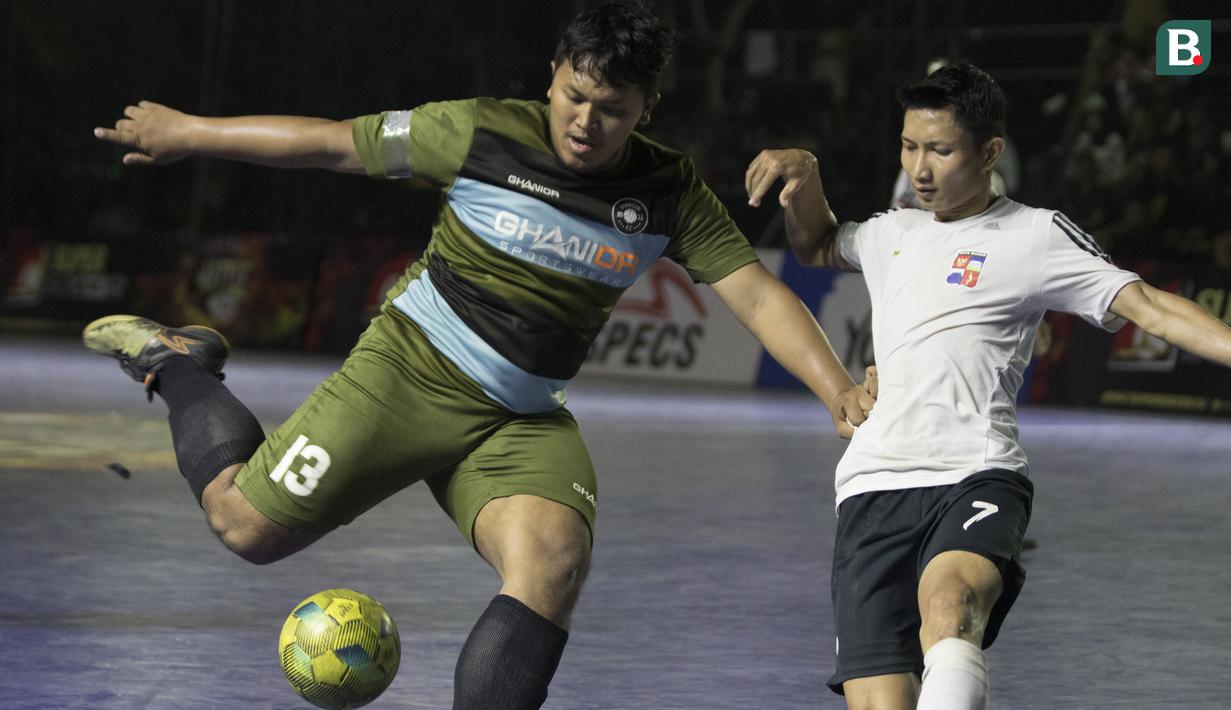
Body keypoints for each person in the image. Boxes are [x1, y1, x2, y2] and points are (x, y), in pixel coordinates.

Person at [86, 2, 873, 708]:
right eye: (575, 96)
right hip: (404, 375)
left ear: (646, 109)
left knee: (554, 562)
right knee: (243, 527)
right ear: (554, 75)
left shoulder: (668, 193)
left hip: (518, 417)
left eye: (612, 110)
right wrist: (189, 132)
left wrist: (839, 391)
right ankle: (176, 358)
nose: (586, 123)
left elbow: (760, 296)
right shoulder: (479, 131)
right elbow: (330, 146)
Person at [744, 63, 1231, 710]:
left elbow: (1150, 307)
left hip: (975, 472)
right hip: (871, 484)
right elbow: (817, 246)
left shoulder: (1033, 234)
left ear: (989, 152)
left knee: (950, 606)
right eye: (908, 147)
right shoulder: (890, 230)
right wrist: (804, 176)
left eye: (940, 151)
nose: (919, 168)